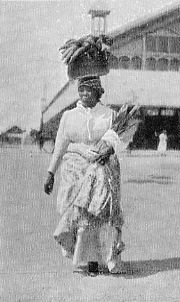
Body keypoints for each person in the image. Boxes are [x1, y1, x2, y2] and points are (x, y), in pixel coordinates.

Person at [44, 76, 124, 275]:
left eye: (89, 90)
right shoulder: (69, 116)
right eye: (81, 90)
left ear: (98, 92)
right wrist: (51, 172)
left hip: (102, 166)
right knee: (77, 214)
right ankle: (84, 257)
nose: (84, 94)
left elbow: (119, 140)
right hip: (75, 169)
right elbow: (60, 144)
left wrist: (110, 150)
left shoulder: (109, 115)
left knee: (99, 212)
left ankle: (99, 259)